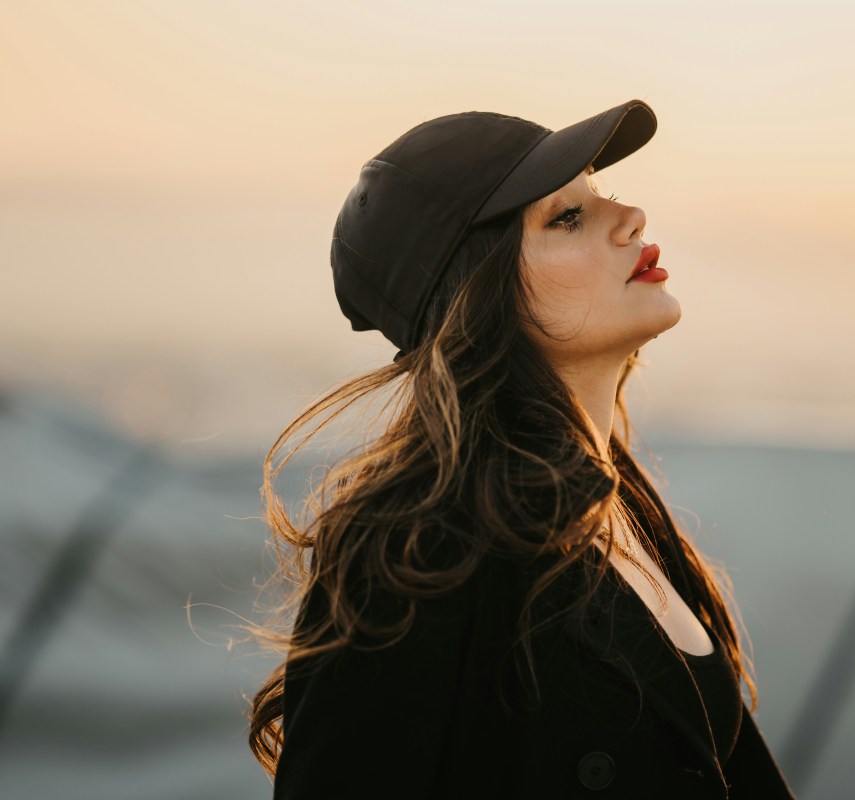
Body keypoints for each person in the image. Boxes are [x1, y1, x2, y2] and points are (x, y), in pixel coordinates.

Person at [248, 98, 797, 799]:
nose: (630, 218)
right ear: (481, 296)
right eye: (566, 217)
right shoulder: (421, 548)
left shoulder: (618, 504)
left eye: (597, 194)